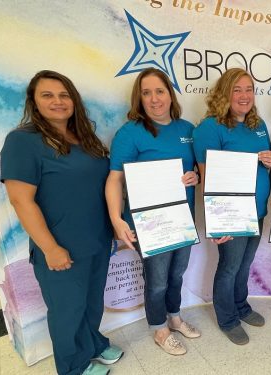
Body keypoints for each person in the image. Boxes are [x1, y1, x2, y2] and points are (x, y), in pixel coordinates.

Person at [0, 70, 123, 375]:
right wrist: (50, 248)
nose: (58, 101)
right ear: (34, 102)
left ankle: (93, 344)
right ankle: (73, 366)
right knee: (67, 310)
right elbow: (21, 200)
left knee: (92, 303)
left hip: (97, 240)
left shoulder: (84, 137)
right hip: (60, 246)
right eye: (47, 95)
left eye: (64, 95)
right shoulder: (22, 141)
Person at [105, 68, 201, 356]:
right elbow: (114, 179)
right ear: (139, 98)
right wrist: (115, 218)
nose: (154, 98)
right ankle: (159, 328)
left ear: (170, 95)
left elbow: (197, 169)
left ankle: (174, 316)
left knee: (177, 274)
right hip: (150, 224)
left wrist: (195, 176)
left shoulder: (187, 130)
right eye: (146, 93)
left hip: (183, 219)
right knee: (157, 279)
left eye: (159, 91)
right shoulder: (130, 133)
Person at [192, 68, 271, 345]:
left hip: (257, 210)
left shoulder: (258, 124)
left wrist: (268, 161)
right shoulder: (210, 127)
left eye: (249, 89)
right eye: (237, 89)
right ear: (225, 93)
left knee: (244, 264)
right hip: (230, 215)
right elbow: (207, 178)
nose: (244, 95)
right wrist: (217, 223)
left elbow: (265, 162)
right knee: (229, 267)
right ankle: (227, 319)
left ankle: (241, 306)